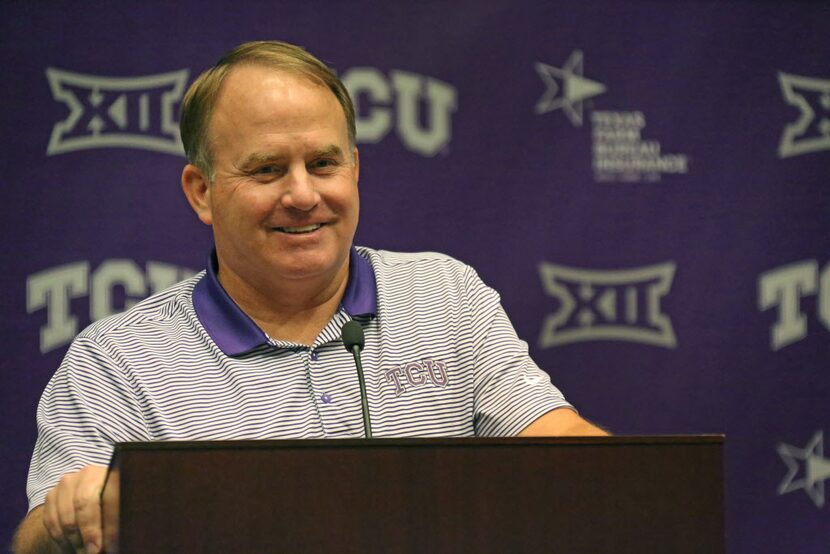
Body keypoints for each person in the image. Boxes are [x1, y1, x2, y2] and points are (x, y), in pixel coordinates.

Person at [13, 41, 606, 554]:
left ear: (354, 170)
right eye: (267, 170)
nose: (302, 194)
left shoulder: (445, 295)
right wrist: (69, 518)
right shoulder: (117, 359)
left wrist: (634, 478)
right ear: (201, 191)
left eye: (323, 163)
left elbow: (558, 447)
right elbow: (40, 536)